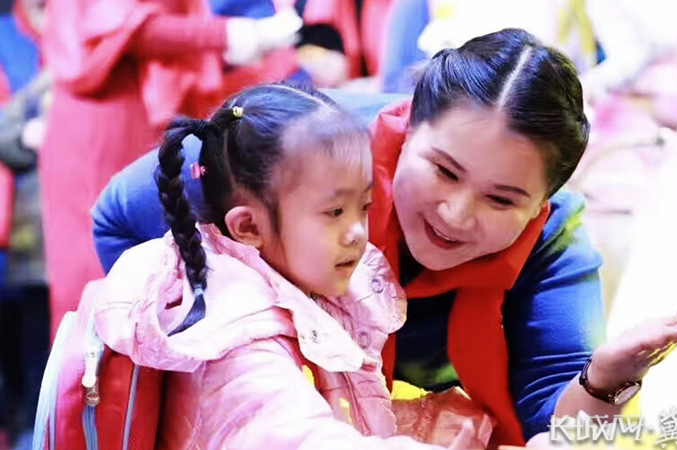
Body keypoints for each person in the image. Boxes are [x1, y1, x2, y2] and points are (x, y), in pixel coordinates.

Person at [91, 29, 677, 447]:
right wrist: (189, 320)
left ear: (540, 204)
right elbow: (118, 215)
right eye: (443, 170)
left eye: (502, 199)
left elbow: (552, 432)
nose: (456, 213)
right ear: (407, 124)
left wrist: (604, 381)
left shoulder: (551, 241)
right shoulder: (305, 153)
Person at [85, 82, 493, 449]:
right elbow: (301, 436)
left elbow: (350, 415)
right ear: (248, 227)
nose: (357, 232)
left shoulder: (300, 290)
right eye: (334, 212)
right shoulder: (239, 338)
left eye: (365, 206)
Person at [39, 0, 302, 337]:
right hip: (104, 125)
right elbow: (122, 26)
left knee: (149, 277)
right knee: (106, 283)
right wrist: (235, 34)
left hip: (133, 115)